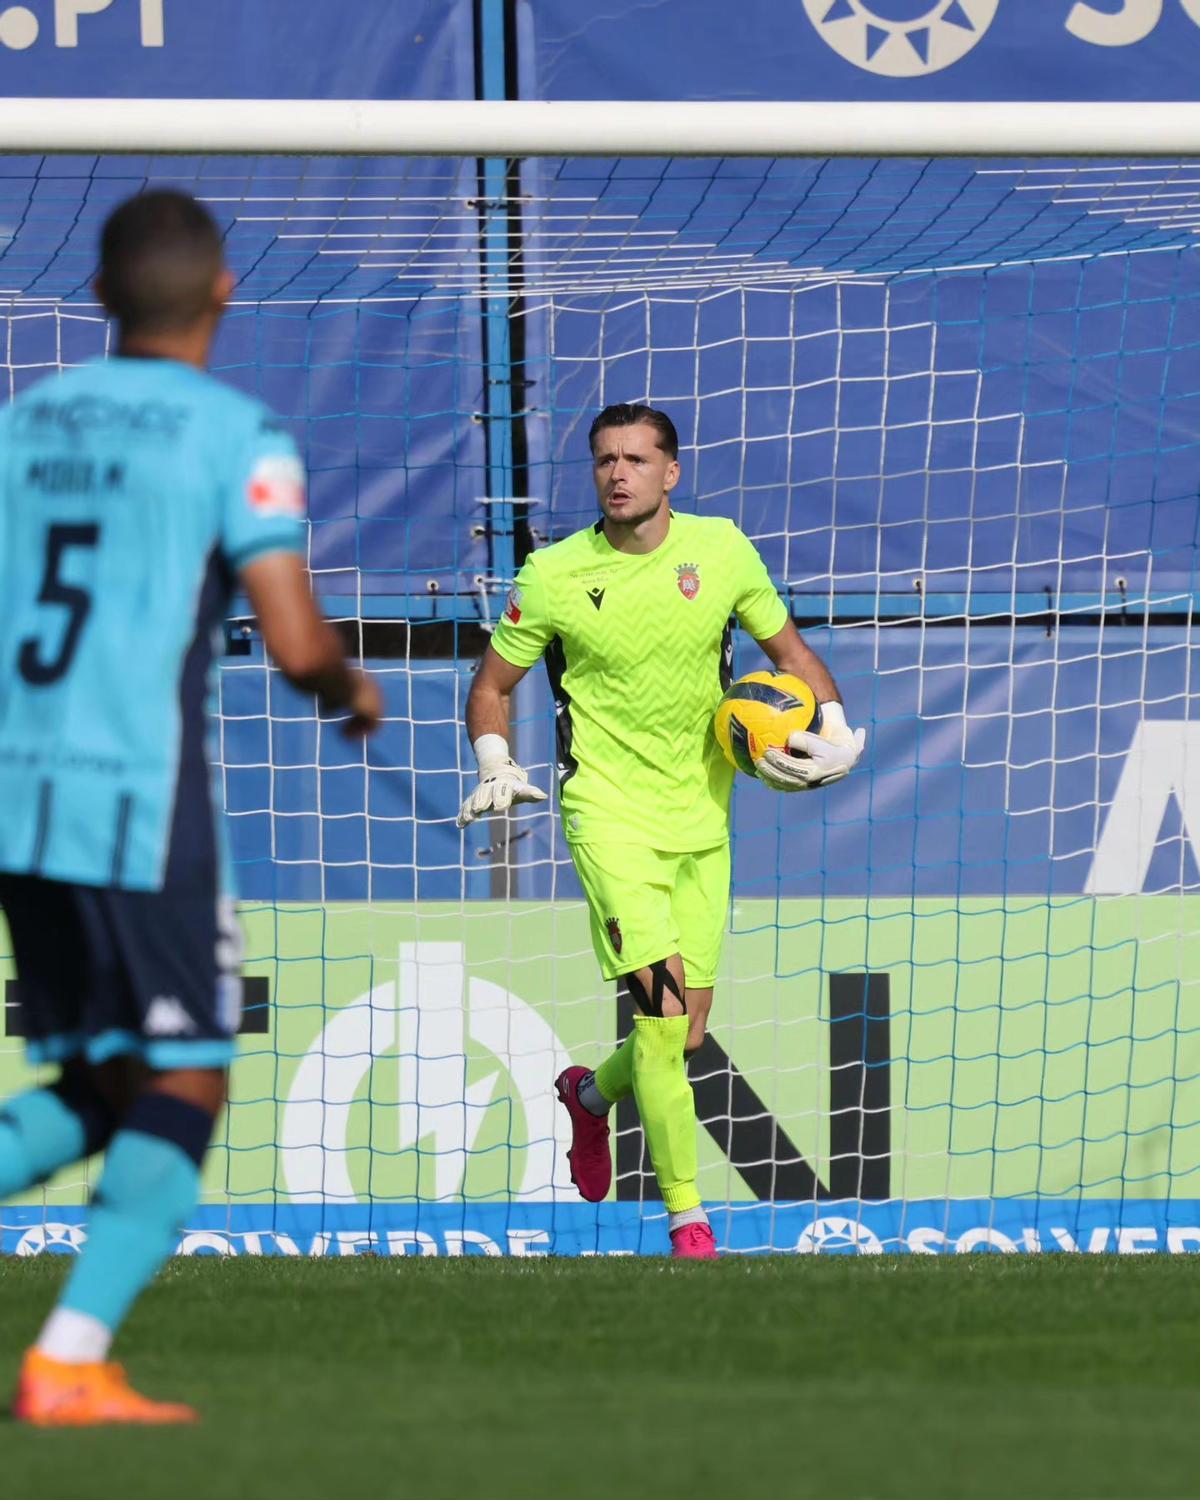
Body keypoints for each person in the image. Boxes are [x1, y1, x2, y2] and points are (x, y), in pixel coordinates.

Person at [0, 189, 381, 1423]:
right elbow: (290, 631)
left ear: (98, 296)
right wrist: (344, 682)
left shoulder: (24, 424)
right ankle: (66, 1361)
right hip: (133, 796)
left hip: (16, 789)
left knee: (108, 1086)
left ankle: (71, 1358)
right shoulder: (238, 430)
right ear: (225, 293)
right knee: (187, 1077)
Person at [457, 402, 864, 1258]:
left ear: (670, 472)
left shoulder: (719, 550)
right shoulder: (556, 573)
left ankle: (589, 1098)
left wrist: (834, 724)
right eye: (605, 460)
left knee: (686, 1031)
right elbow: (491, 685)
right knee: (656, 1019)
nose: (617, 474)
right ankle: (689, 1223)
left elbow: (789, 653)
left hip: (702, 817)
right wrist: (496, 761)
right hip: (607, 817)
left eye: (636, 460)